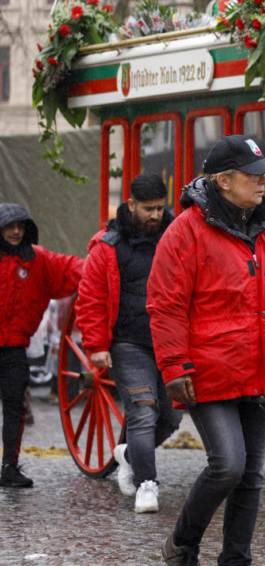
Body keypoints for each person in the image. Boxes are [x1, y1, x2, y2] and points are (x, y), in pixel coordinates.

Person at [149, 136, 265, 565]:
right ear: (224, 180)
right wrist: (174, 366)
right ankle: (182, 544)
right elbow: (165, 304)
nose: (264, 181)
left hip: (263, 369)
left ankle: (235, 559)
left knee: (250, 477)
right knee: (227, 465)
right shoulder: (185, 232)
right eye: (254, 174)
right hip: (209, 373)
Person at [75, 173, 182, 513]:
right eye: (148, 209)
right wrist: (96, 345)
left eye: (160, 209)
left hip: (168, 343)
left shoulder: (176, 238)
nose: (155, 215)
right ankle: (146, 485)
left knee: (171, 419)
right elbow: (90, 298)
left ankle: (128, 453)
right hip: (127, 344)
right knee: (143, 412)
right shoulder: (107, 246)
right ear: (131, 205)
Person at [0, 203, 83, 488]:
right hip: (12, 346)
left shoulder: (39, 260)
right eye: (10, 226)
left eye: (20, 226)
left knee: (15, 408)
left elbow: (73, 269)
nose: (15, 232)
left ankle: (9, 466)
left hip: (14, 348)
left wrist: (105, 264)